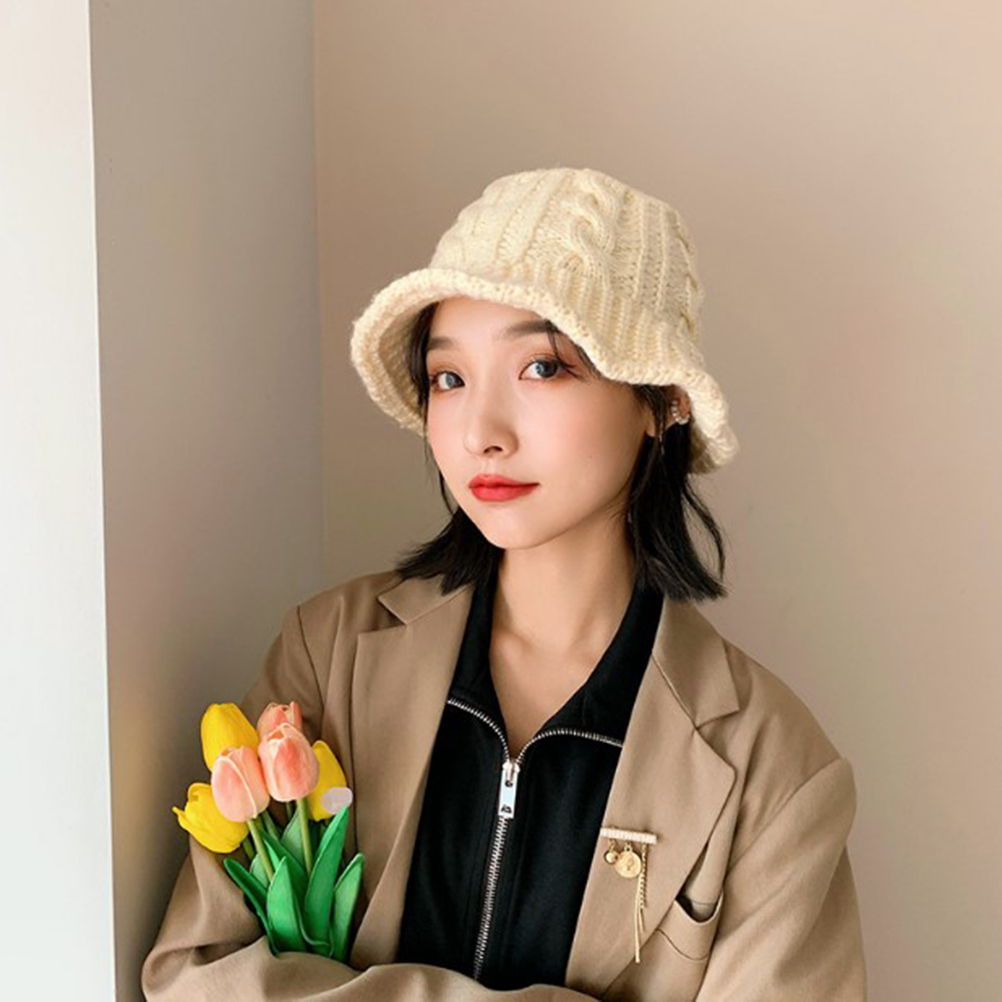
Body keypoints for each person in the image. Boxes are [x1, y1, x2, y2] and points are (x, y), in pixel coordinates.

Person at [142, 166, 867, 1000]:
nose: (480, 433)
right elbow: (194, 978)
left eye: (542, 368)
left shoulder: (772, 768)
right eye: (449, 379)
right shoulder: (331, 653)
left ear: (660, 402)